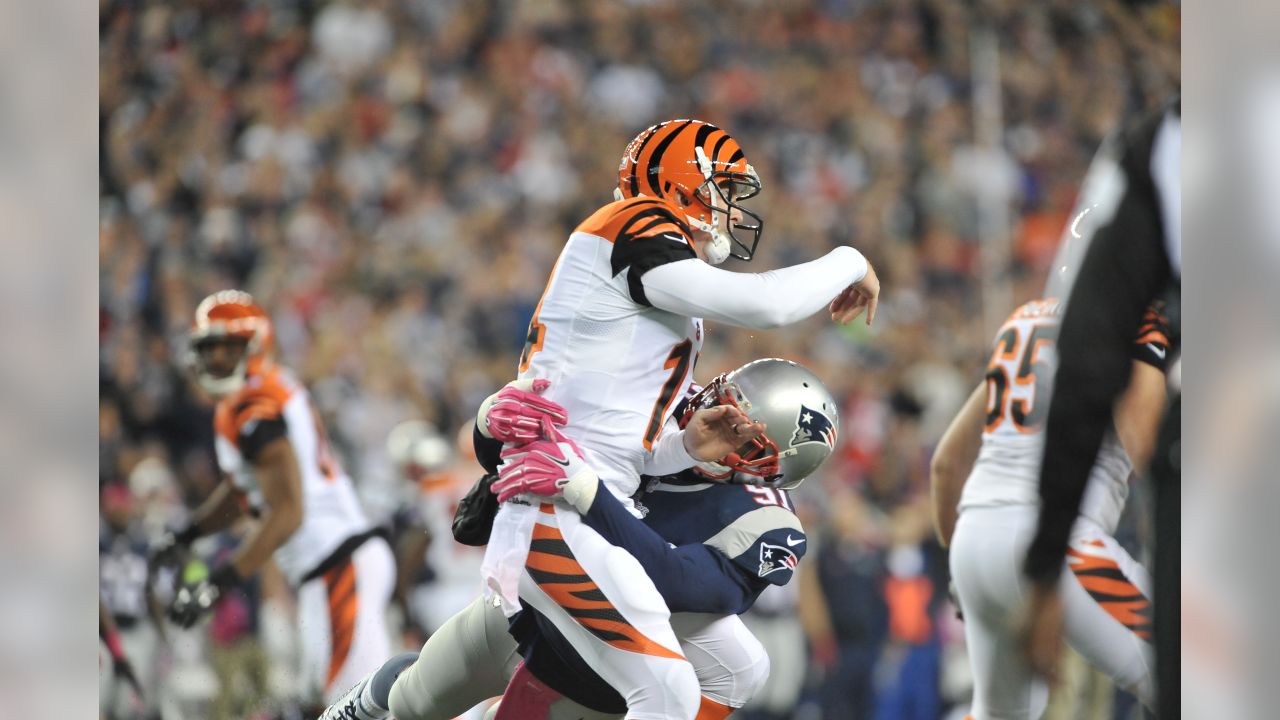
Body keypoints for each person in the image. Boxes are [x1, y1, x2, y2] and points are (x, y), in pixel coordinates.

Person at [477, 118, 879, 720]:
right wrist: (852, 259)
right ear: (684, 181)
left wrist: (682, 448)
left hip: (583, 492)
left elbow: (624, 443)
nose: (733, 212)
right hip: (555, 495)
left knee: (738, 667)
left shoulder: (645, 271)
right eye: (726, 191)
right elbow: (765, 303)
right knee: (667, 692)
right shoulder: (632, 222)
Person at [322, 358, 839, 720]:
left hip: (600, 656)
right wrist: (490, 417)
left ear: (772, 463)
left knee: (743, 667)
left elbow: (681, 585)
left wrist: (591, 493)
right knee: (412, 704)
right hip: (528, 602)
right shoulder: (655, 406)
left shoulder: (770, 523)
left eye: (741, 429)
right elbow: (510, 438)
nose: (715, 418)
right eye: (723, 400)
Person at [151, 290, 395, 708]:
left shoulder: (255, 406)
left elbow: (288, 512)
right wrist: (189, 533)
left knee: (359, 707)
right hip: (330, 567)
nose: (210, 359)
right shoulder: (258, 392)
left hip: (338, 564)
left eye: (221, 348)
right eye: (205, 349)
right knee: (326, 703)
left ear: (251, 344)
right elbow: (245, 491)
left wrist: (220, 581)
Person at [930, 297, 1171, 718]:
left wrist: (961, 565)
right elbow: (1150, 454)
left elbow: (946, 464)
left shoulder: (1027, 322)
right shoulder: (1129, 311)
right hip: (1057, 547)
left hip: (973, 545)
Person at [1018, 100, 1180, 718]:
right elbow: (1140, 421)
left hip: (998, 531)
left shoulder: (1031, 322)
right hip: (1068, 542)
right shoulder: (1140, 307)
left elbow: (953, 459)